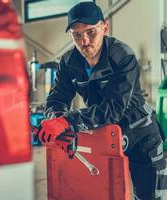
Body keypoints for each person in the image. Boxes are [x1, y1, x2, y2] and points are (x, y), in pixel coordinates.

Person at [33, 2, 167, 200]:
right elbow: (56, 99)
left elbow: (113, 108)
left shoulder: (122, 56)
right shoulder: (68, 63)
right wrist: (57, 121)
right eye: (77, 35)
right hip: (104, 137)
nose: (84, 41)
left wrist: (68, 122)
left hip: (141, 136)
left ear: (105, 28)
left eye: (91, 32)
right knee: (105, 193)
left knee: (149, 196)